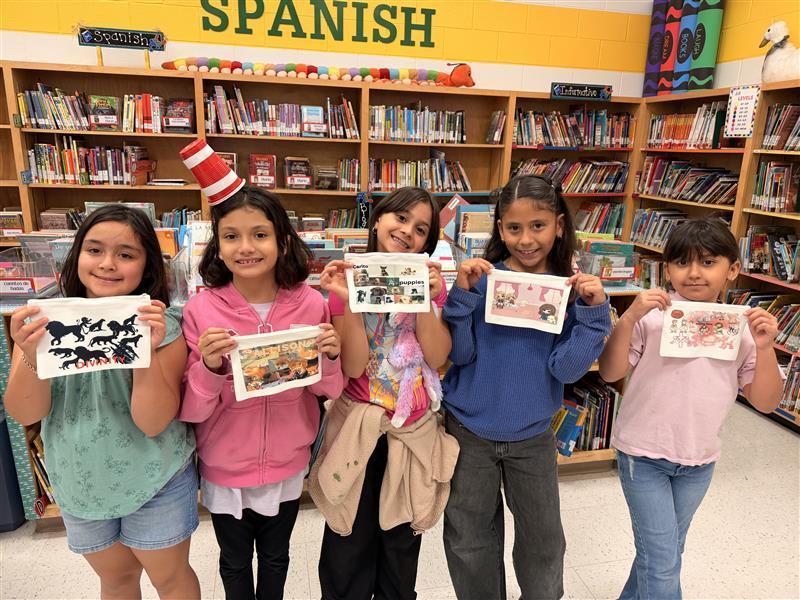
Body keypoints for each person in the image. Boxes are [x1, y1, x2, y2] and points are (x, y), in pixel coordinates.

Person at [4, 204, 199, 599]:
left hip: (155, 477)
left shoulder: (166, 328)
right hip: (81, 478)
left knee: (170, 578)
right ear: (77, 256)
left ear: (147, 266)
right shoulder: (43, 323)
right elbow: (26, 412)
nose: (108, 264)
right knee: (116, 579)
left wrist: (145, 350)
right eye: (94, 250)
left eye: (126, 254)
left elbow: (153, 421)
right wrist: (28, 352)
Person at [442, 175, 611, 600]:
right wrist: (461, 299)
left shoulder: (568, 292)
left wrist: (593, 315)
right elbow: (459, 355)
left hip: (534, 436)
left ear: (558, 225)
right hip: (468, 432)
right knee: (469, 539)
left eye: (538, 226)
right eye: (514, 228)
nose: (526, 239)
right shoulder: (482, 281)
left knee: (543, 542)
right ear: (499, 229)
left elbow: (568, 370)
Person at [598, 217, 784, 600]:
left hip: (698, 461)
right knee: (663, 558)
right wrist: (630, 317)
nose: (694, 273)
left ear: (732, 269)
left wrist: (765, 348)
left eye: (709, 262)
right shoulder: (652, 317)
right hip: (642, 454)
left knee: (662, 551)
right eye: (682, 263)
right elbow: (610, 372)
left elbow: (766, 402)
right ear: (667, 269)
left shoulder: (744, 329)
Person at [179, 185, 343, 600]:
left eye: (260, 234)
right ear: (217, 245)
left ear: (282, 240)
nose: (245, 247)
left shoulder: (310, 303)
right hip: (225, 466)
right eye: (231, 236)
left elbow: (330, 390)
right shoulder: (202, 310)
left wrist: (329, 357)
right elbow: (194, 410)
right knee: (233, 561)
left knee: (276, 556)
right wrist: (210, 366)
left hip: (288, 463)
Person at [311, 186, 458, 600]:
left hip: (412, 430)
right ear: (377, 219)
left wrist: (427, 301)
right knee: (347, 540)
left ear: (427, 244)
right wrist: (351, 301)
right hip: (358, 428)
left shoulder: (432, 286)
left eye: (421, 229)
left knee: (400, 541)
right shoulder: (347, 279)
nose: (407, 231)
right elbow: (354, 367)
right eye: (400, 217)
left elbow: (438, 355)